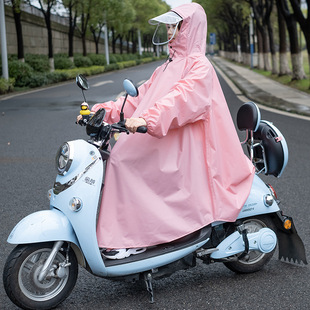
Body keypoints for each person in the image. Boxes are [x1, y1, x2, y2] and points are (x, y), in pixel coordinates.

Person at [82, 3, 255, 259]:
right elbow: (138, 98)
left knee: (125, 161)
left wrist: (146, 119)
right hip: (166, 138)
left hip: (189, 147)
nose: (169, 30)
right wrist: (101, 111)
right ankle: (135, 233)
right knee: (119, 156)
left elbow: (180, 100)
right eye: (168, 26)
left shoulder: (200, 67)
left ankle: (135, 238)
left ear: (190, 27)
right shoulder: (166, 66)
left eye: (175, 25)